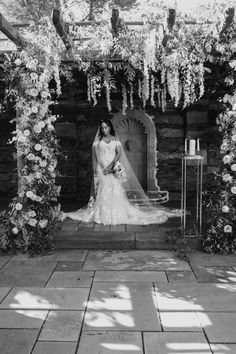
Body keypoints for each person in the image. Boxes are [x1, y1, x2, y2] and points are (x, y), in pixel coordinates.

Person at [61, 120, 179, 225]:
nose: (104, 129)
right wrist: (104, 168)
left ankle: (116, 213)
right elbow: (97, 156)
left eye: (106, 127)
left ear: (110, 127)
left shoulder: (115, 139)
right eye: (102, 128)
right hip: (101, 167)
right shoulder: (98, 141)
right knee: (104, 188)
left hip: (113, 165)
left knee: (115, 187)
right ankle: (101, 215)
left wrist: (111, 165)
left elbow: (118, 154)